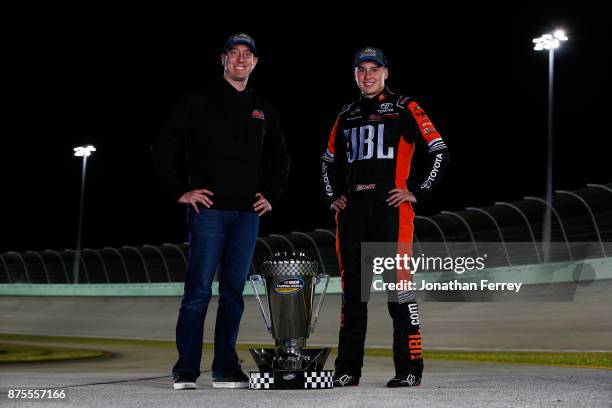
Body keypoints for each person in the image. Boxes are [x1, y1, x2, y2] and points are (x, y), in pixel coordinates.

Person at [152, 33, 290, 390]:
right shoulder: (199, 100)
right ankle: (186, 368)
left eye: (248, 54)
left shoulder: (264, 107)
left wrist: (271, 194)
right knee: (198, 291)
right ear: (223, 59)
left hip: (247, 215)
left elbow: (281, 157)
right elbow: (163, 145)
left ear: (256, 62)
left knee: (233, 292)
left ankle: (225, 368)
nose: (241, 59)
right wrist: (180, 191)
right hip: (209, 212)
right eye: (234, 53)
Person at [320, 47, 449, 387]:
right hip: (353, 215)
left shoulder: (405, 107)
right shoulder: (346, 114)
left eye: (373, 69)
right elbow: (327, 161)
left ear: (386, 72)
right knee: (353, 297)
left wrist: (417, 192)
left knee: (399, 293)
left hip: (392, 211)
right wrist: (333, 196)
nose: (367, 75)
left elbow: (438, 150)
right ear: (355, 75)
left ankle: (409, 370)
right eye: (361, 70)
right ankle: (347, 370)